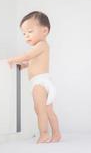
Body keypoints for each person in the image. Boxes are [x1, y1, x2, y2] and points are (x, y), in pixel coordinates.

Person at [6, 11, 61, 143]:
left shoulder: (41, 45)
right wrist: (22, 66)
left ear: (44, 31)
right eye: (24, 33)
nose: (26, 36)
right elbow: (30, 62)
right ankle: (57, 133)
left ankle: (44, 134)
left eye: (30, 31)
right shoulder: (40, 48)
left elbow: (27, 56)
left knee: (39, 110)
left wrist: (12, 60)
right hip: (44, 81)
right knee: (48, 111)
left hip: (40, 83)